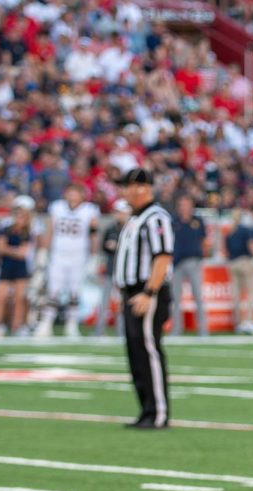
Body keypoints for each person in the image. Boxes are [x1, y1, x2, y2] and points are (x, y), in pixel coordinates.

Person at [112, 168, 173, 430]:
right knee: (135, 353)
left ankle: (157, 412)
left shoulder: (155, 217)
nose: (124, 191)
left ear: (142, 188)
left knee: (148, 350)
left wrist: (149, 292)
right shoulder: (135, 218)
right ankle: (146, 410)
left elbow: (162, 256)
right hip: (132, 291)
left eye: (128, 186)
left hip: (146, 291)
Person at [36, 184, 100, 338]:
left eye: (75, 193)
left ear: (82, 195)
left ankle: (71, 325)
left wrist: (94, 255)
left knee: (74, 292)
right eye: (70, 192)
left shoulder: (89, 210)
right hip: (58, 255)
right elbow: (50, 229)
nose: (72, 196)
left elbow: (94, 234)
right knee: (53, 291)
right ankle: (46, 323)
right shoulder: (57, 207)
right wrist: (44, 250)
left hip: (79, 256)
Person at [0, 195, 34, 336]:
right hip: (6, 266)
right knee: (0, 299)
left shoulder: (26, 233)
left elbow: (23, 253)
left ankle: (17, 327)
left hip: (20, 267)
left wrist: (8, 250)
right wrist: (12, 251)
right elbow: (1, 248)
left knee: (19, 299)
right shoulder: (5, 229)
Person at [169, 195, 210, 337]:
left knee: (198, 295)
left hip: (193, 260)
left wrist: (203, 256)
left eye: (186, 204)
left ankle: (203, 330)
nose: (184, 207)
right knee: (175, 298)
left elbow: (204, 240)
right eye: (181, 204)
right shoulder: (173, 221)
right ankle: (176, 329)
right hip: (176, 262)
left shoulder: (198, 221)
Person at [95, 199, 131, 337]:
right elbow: (104, 247)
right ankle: (99, 330)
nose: (120, 215)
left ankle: (121, 331)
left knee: (123, 303)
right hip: (111, 269)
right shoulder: (110, 228)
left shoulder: (132, 229)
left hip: (126, 272)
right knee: (104, 302)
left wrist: (119, 246)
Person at [223, 208, 253, 334]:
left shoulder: (230, 232)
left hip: (233, 263)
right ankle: (249, 322)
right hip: (245, 262)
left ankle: (238, 323)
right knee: (251, 294)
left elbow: (226, 250)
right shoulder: (246, 230)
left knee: (236, 295)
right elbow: (252, 246)